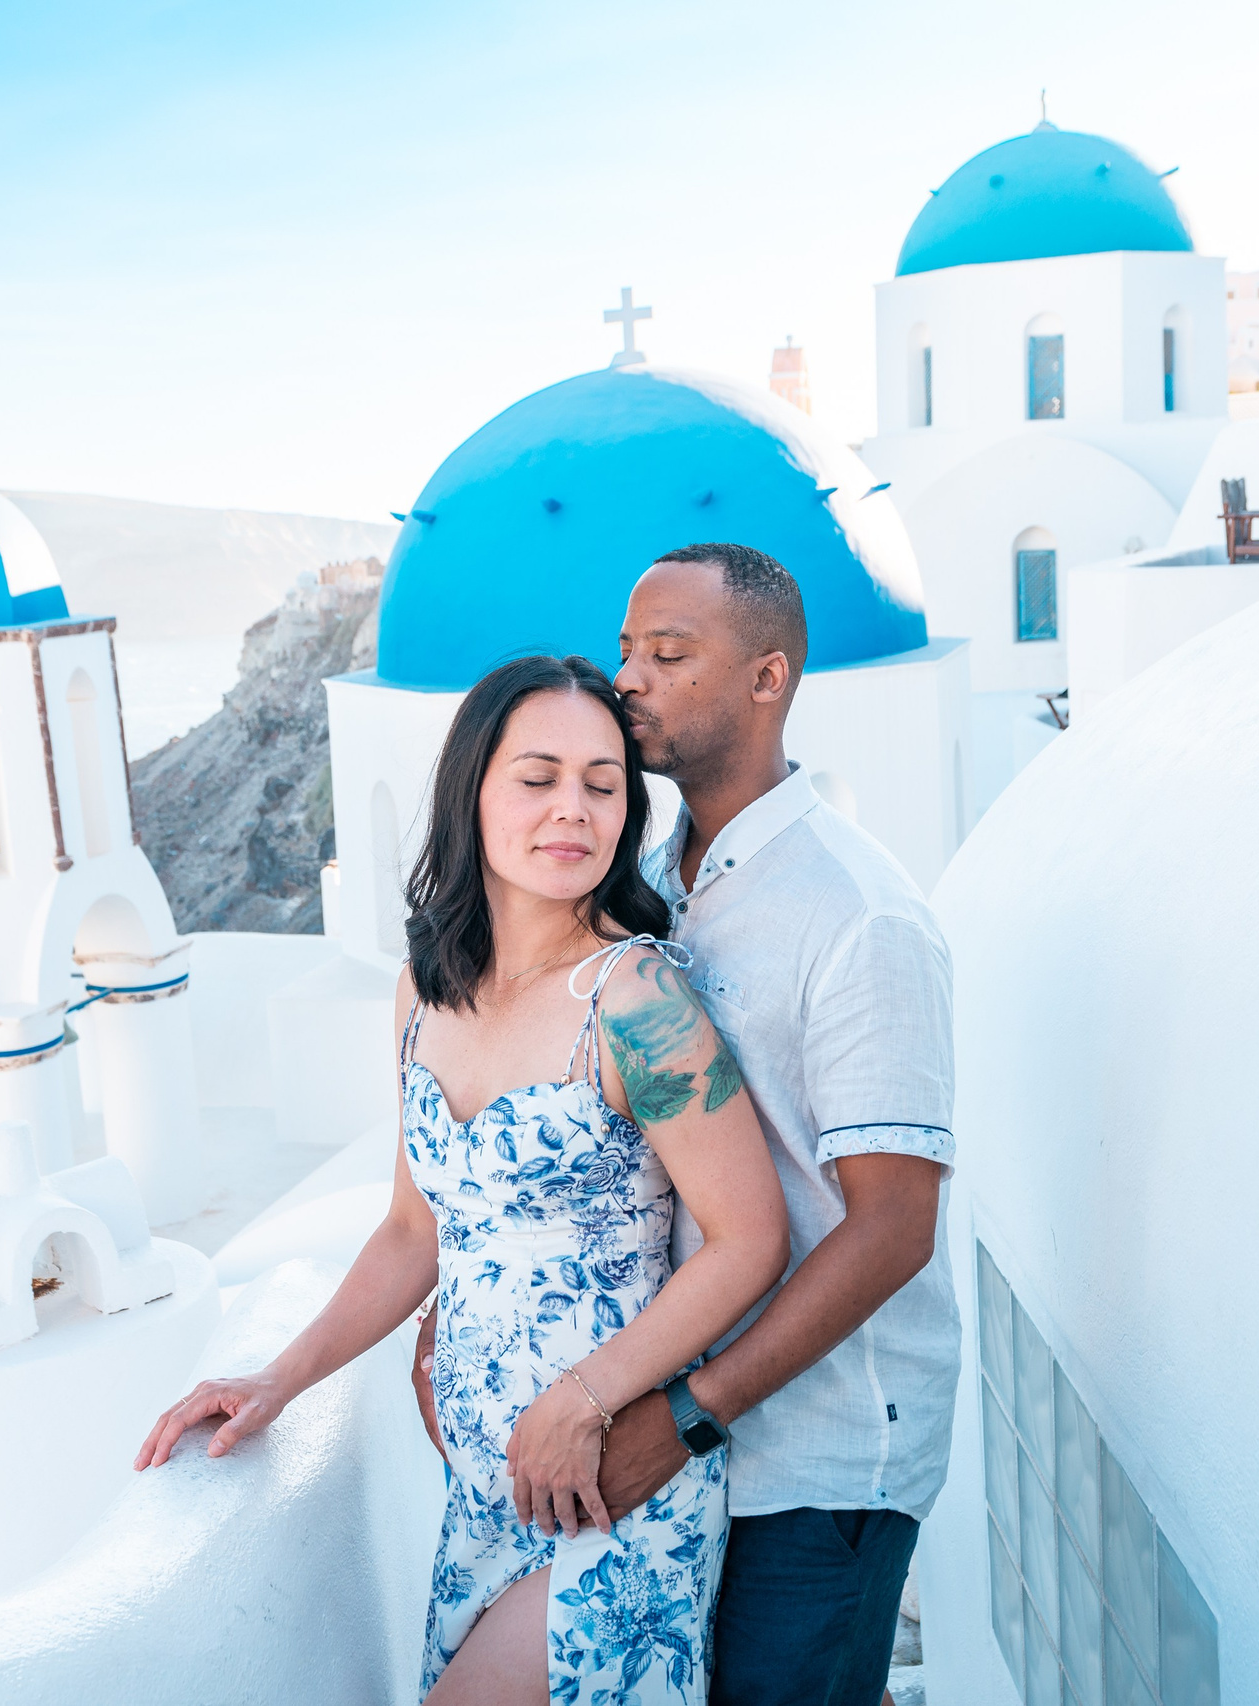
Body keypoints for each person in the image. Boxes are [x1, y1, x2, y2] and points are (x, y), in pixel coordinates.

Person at [136, 654, 790, 1705]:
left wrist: (583, 1397)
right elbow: (411, 1230)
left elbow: (749, 1238)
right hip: (482, 1483)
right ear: (472, 789)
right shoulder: (421, 993)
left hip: (609, 1475)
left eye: (601, 782)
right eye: (538, 776)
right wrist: (275, 1378)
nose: (571, 808)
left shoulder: (635, 998)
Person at [412, 544, 960, 1706]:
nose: (631, 681)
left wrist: (682, 1416)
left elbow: (893, 1228)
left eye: (667, 655)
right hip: (662, 1442)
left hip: (814, 1461)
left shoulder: (858, 916)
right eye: (626, 652)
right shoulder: (652, 877)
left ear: (768, 679)